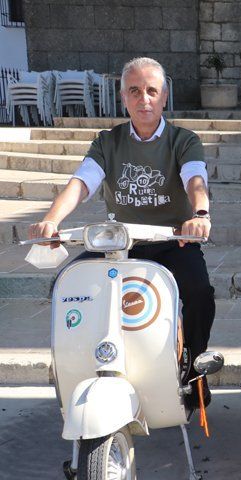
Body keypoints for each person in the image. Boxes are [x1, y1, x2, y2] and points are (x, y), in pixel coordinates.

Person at [27, 56, 215, 407]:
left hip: (173, 241)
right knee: (68, 284)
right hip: (118, 244)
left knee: (199, 291)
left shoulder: (183, 140)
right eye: (134, 91)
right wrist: (51, 219)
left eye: (151, 91)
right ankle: (78, 368)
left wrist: (200, 213)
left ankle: (194, 373)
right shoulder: (107, 142)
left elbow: (195, 179)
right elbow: (81, 183)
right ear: (123, 97)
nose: (144, 99)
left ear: (164, 96)